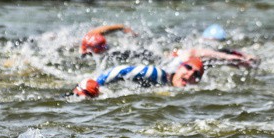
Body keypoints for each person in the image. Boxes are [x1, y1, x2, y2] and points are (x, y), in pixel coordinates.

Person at [71, 57, 206, 98]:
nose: (189, 75)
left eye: (196, 75)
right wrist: (96, 84)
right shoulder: (156, 74)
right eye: (188, 68)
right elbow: (121, 70)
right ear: (179, 67)